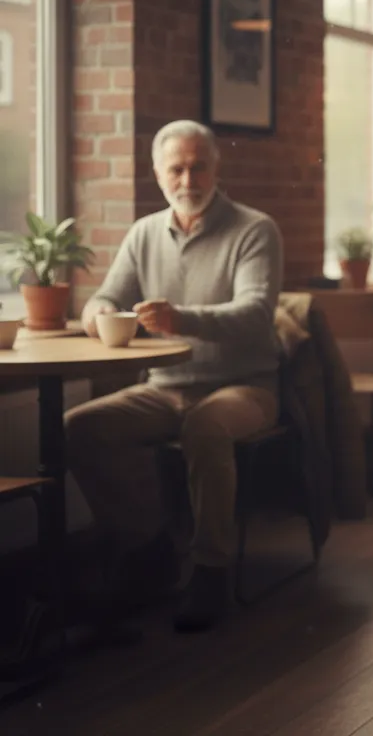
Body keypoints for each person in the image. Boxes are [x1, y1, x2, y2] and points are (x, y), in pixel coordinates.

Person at [65, 120, 283, 634]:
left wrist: (180, 318)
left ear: (216, 167)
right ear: (158, 175)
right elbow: (104, 297)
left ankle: (211, 570)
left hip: (247, 386)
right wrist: (98, 315)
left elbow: (255, 313)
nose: (187, 179)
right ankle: (149, 548)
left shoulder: (255, 229)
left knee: (204, 427)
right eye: (176, 169)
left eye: (197, 165)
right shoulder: (144, 233)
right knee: (79, 427)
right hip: (164, 387)